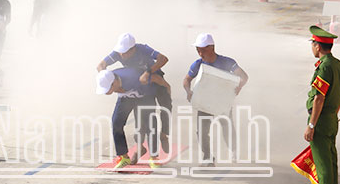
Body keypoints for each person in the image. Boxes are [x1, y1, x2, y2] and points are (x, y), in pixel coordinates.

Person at [97, 33, 171, 154]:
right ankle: (140, 148)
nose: (122, 55)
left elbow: (164, 59)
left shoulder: (143, 49)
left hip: (154, 78)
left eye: (125, 52)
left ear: (133, 49)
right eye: (121, 52)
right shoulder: (117, 53)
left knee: (166, 106)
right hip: (135, 81)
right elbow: (100, 66)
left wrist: (149, 72)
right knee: (141, 116)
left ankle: (163, 135)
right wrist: (107, 80)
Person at [301, 26, 340, 184]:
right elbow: (339, 94)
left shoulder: (325, 67)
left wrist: (311, 125)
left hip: (320, 119)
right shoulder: (338, 65)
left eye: (312, 44)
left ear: (318, 46)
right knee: (331, 162)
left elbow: (319, 98)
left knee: (323, 165)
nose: (312, 47)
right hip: (331, 118)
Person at [182, 33, 249, 164]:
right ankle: (207, 157)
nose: (199, 53)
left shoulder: (227, 62)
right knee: (202, 132)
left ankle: (233, 150)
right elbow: (186, 79)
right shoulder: (197, 64)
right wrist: (188, 91)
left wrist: (239, 87)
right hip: (204, 103)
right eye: (197, 50)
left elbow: (244, 76)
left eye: (201, 49)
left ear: (211, 48)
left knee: (227, 127)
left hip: (222, 102)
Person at [96, 67, 159, 169]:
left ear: (114, 82)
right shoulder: (110, 77)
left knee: (151, 126)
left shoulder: (134, 77)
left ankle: (153, 157)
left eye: (109, 89)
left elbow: (156, 81)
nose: (107, 92)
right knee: (116, 123)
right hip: (125, 98)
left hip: (145, 97)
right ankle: (124, 157)